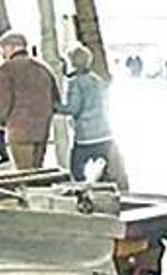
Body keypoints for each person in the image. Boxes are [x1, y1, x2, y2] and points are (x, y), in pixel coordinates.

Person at [54, 45, 123, 185]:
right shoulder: (96, 79)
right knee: (104, 170)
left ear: (72, 62)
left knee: (76, 170)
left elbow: (73, 108)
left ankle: (84, 195)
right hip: (104, 132)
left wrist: (54, 106)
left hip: (86, 136)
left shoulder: (75, 82)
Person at [0, 31, 60, 170]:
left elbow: (2, 100)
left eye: (3, 49)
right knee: (38, 169)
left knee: (23, 173)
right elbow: (55, 98)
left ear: (11, 47)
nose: (2, 53)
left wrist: (1, 121)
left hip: (19, 129)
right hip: (42, 128)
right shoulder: (43, 68)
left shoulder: (5, 70)